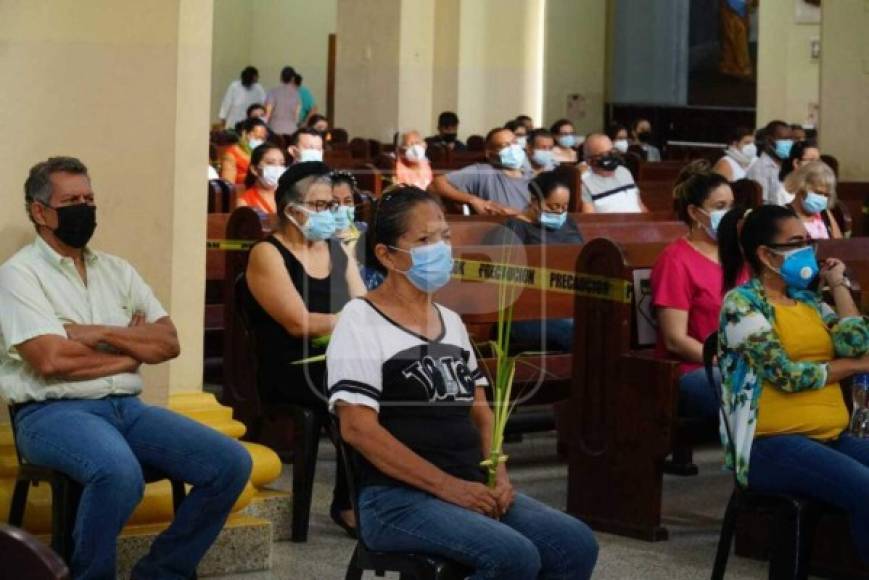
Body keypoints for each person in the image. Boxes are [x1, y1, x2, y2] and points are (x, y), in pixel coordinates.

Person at [0, 157, 252, 580]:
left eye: (89, 199)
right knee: (118, 473)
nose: (84, 208)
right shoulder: (18, 276)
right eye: (71, 200)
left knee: (230, 463)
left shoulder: (117, 270)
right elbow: (50, 360)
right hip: (52, 414)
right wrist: (133, 349)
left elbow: (168, 342)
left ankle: (161, 572)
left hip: (127, 409)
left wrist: (95, 333)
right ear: (39, 211)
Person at [327, 186, 599, 579]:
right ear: (386, 255)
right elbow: (357, 429)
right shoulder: (361, 320)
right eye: (423, 240)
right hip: (396, 499)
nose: (440, 248)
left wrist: (498, 474)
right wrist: (447, 487)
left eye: (444, 237)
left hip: (469, 480)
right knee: (512, 556)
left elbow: (481, 412)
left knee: (575, 543)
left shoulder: (450, 321)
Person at [716, 205, 869, 559]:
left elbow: (857, 342)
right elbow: (785, 375)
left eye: (808, 241)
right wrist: (849, 366)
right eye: (796, 242)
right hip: (771, 446)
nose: (808, 250)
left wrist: (839, 285)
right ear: (767, 255)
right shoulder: (742, 303)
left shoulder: (809, 301)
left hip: (829, 436)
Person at [244, 162, 366, 536]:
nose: (332, 214)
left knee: (398, 384)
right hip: (290, 366)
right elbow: (297, 322)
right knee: (364, 391)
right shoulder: (267, 254)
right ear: (291, 210)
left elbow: (363, 307)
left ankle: (382, 501)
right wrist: (349, 321)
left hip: (335, 361)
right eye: (321, 205)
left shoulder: (338, 251)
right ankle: (349, 505)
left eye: (333, 205)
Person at [651, 162, 736, 420]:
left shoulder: (736, 254)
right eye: (720, 208)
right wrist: (725, 362)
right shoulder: (676, 260)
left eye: (732, 206)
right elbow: (675, 339)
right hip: (697, 366)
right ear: (695, 213)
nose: (730, 214)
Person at [485, 172, 582, 352]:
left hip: (569, 303)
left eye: (564, 206)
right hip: (528, 312)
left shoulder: (568, 223)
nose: (560, 212)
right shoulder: (514, 229)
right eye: (553, 206)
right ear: (535, 201)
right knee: (579, 331)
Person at [428, 127, 530, 215]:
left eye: (514, 142)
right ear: (489, 154)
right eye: (505, 145)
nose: (513, 148)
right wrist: (473, 200)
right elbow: (436, 184)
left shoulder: (532, 177)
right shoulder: (484, 172)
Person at [580, 134, 647, 213]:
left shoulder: (624, 172)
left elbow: (640, 206)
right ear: (589, 160)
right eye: (604, 154)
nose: (610, 156)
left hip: (639, 223)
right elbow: (590, 219)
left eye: (612, 151)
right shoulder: (585, 183)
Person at [784, 161, 843, 240]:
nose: (822, 198)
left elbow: (838, 244)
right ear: (801, 187)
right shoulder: (784, 215)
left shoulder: (825, 214)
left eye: (826, 195)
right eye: (818, 193)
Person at [747, 120, 793, 204]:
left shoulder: (788, 166)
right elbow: (761, 203)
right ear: (769, 140)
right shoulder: (760, 169)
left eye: (790, 139)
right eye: (784, 139)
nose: (789, 143)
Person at [237, 143, 288, 214]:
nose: (278, 168)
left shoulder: (289, 197)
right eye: (270, 163)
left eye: (281, 164)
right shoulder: (244, 203)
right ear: (254, 169)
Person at [219, 117, 269, 186]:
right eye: (257, 137)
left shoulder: (267, 153)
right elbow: (228, 185)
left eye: (262, 138)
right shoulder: (232, 153)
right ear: (244, 134)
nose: (260, 141)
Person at [771, 140, 821, 205]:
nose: (817, 165)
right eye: (811, 160)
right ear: (796, 163)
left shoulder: (816, 187)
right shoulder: (783, 192)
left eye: (818, 161)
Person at [219, 66, 267, 130]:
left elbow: (264, 104)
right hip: (234, 122)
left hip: (250, 124)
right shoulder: (234, 86)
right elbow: (226, 103)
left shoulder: (258, 88)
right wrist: (223, 118)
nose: (257, 79)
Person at [265, 66, 301, 137]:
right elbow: (296, 116)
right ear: (293, 78)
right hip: (292, 130)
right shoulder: (297, 94)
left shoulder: (273, 92)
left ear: (281, 77)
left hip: (274, 129)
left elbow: (267, 113)